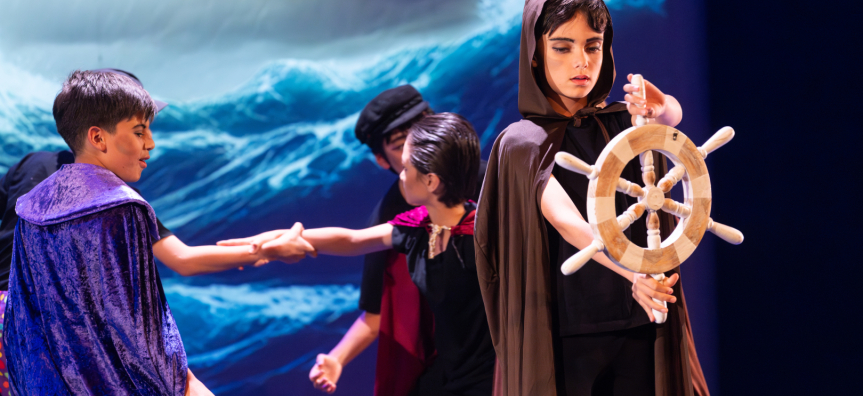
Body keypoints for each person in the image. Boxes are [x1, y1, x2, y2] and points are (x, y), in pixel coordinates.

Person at [474, 1, 709, 395]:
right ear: (536, 56)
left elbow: (670, 120)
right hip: (567, 333)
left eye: (593, 46)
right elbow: (567, 221)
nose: (581, 62)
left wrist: (660, 102)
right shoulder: (521, 143)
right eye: (562, 48)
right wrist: (633, 274)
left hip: (637, 324)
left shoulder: (621, 122)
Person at [226, 113, 495, 395]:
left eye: (405, 169)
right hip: (449, 376)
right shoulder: (418, 228)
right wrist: (256, 245)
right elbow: (351, 239)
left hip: (491, 379)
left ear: (430, 181)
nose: (400, 177)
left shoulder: (485, 236)